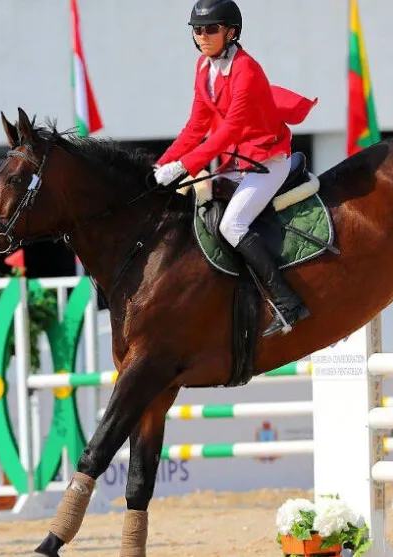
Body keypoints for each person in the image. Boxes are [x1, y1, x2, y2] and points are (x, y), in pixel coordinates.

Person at [153, 0, 317, 337]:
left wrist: (186, 165)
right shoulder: (203, 68)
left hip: (268, 160)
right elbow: (196, 127)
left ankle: (288, 303)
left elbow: (230, 130)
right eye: (197, 30)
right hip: (239, 162)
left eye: (211, 29)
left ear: (231, 32)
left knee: (232, 224)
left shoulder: (246, 69)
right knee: (202, 213)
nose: (203, 36)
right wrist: (164, 163)